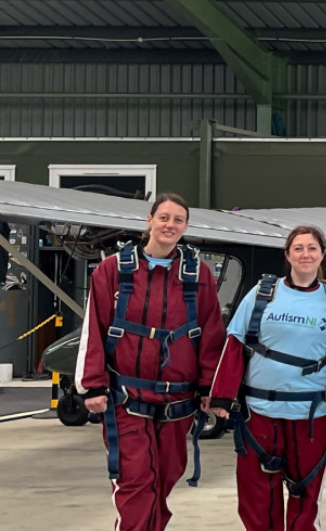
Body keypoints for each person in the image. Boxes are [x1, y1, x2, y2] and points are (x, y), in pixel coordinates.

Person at [77, 193, 226, 531]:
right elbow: (95, 329)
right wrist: (93, 385)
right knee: (136, 483)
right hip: (125, 400)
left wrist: (210, 387)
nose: (170, 225)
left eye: (178, 220)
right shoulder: (112, 270)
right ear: (149, 220)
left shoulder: (197, 273)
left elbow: (211, 333)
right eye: (164, 217)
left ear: (186, 226)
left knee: (163, 481)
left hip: (179, 402)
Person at [208, 225, 326, 531]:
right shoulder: (263, 294)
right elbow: (236, 343)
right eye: (298, 248)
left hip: (311, 414)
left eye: (312, 248)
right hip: (259, 414)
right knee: (256, 493)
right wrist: (222, 396)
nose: (306, 254)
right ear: (288, 255)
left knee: (306, 491)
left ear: (322, 256)